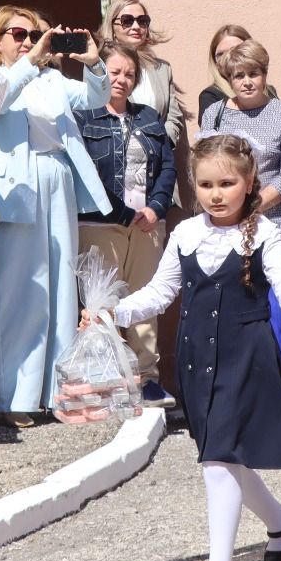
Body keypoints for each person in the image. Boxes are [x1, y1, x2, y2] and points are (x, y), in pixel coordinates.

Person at [88, 134, 281, 561]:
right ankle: (280, 521)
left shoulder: (268, 237)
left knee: (218, 461)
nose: (216, 194)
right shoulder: (185, 234)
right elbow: (160, 292)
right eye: (205, 184)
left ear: (249, 181)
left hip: (247, 361)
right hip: (197, 361)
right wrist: (114, 313)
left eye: (227, 183)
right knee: (227, 457)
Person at [0, 6, 108, 427]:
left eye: (35, 33)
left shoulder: (51, 78)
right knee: (21, 291)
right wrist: (28, 65)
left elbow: (95, 98)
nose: (28, 40)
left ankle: (58, 392)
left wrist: (93, 62)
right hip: (16, 185)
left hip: (56, 177)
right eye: (18, 33)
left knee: (60, 289)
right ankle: (13, 397)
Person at [76, 42, 178, 409]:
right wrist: (120, 212)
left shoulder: (149, 117)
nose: (121, 79)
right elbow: (83, 173)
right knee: (101, 304)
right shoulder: (83, 117)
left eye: (129, 74)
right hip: (101, 225)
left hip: (147, 226)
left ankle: (149, 380)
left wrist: (156, 207)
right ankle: (106, 382)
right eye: (114, 72)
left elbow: (167, 166)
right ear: (100, 73)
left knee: (145, 303)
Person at [199, 40, 281, 381]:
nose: (247, 81)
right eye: (239, 75)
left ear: (265, 74)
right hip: (227, 233)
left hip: (276, 226)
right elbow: (204, 163)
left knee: (279, 317)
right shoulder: (214, 114)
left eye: (254, 74)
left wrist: (252, 205)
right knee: (235, 317)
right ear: (228, 78)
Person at [101, 0, 186, 147]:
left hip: (159, 154)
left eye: (142, 21)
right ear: (112, 27)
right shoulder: (101, 67)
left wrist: (161, 143)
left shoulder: (162, 69)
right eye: (127, 21)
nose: (136, 26)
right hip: (116, 152)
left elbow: (174, 117)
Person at [199, 24, 255, 119]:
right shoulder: (211, 97)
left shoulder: (268, 92)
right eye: (221, 54)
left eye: (235, 50)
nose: (227, 58)